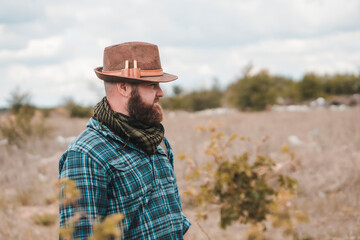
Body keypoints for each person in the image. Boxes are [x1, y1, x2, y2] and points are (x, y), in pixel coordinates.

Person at [59, 42, 191, 239]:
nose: (161, 93)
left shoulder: (158, 142)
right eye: (152, 85)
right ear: (123, 87)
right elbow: (81, 235)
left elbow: (175, 219)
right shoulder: (86, 155)